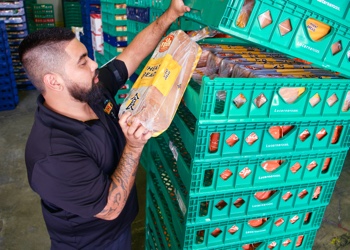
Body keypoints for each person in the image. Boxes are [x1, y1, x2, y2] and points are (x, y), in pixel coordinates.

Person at [19, 1, 190, 249]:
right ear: (54, 82)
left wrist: (171, 14)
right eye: (82, 62)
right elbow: (109, 208)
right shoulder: (51, 155)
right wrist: (133, 146)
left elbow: (132, 55)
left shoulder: (92, 91)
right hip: (93, 243)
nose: (94, 64)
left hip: (120, 229)